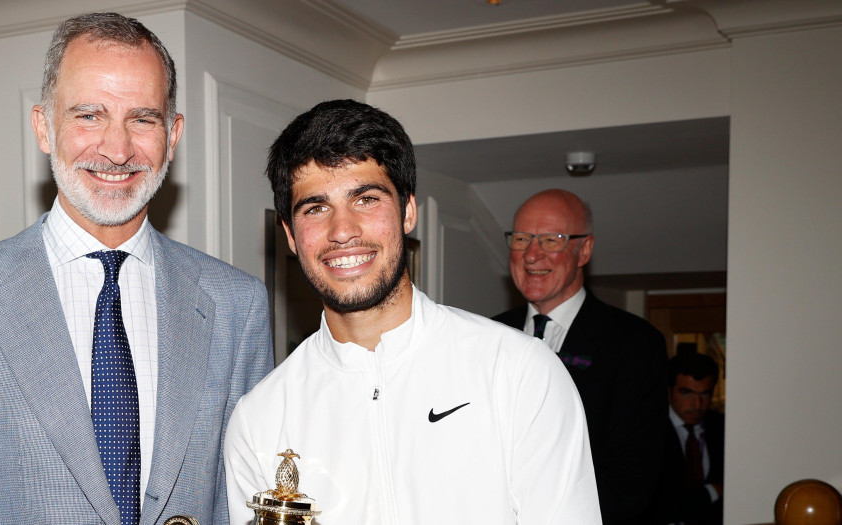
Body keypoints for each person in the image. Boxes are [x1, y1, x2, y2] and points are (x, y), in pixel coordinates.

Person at [0, 12, 273, 525]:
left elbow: (243, 503)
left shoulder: (235, 306)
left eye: (143, 118)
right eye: (89, 115)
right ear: (44, 127)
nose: (117, 149)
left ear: (173, 136)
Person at [224, 99, 599, 525]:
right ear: (291, 235)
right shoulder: (260, 418)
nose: (342, 230)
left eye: (365, 199)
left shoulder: (517, 371)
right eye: (316, 207)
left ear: (407, 212)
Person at [492, 189, 668, 525]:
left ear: (584, 250)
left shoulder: (635, 344)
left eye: (551, 240)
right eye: (521, 238)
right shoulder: (489, 336)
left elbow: (633, 479)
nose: (531, 255)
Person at [655, 352, 723, 525]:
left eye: (705, 394)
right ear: (669, 391)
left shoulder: (722, 427)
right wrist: (713, 491)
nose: (697, 405)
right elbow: (661, 504)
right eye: (687, 393)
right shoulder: (649, 430)